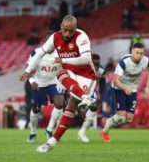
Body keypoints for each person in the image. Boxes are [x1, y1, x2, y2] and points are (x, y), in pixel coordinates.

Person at [19, 15, 96, 152]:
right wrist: (28, 70)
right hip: (69, 73)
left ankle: (84, 98)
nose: (67, 34)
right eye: (65, 30)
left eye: (70, 31)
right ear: (61, 26)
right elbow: (39, 54)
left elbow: (85, 59)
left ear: (75, 29)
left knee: (70, 107)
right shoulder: (55, 37)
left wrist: (63, 61)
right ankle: (50, 143)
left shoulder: (81, 36)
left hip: (87, 75)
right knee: (60, 74)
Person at [101, 43, 149, 142]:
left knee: (129, 119)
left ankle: (107, 121)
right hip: (119, 87)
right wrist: (125, 88)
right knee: (121, 116)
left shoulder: (146, 61)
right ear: (132, 52)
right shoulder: (124, 62)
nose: (139, 55)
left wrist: (148, 87)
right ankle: (105, 131)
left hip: (132, 89)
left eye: (141, 53)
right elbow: (116, 80)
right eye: (137, 53)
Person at [22, 31, 64, 143]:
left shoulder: (61, 53)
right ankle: (33, 132)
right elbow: (28, 70)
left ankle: (49, 130)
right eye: (47, 42)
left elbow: (64, 69)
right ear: (45, 42)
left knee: (60, 104)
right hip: (38, 83)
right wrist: (32, 81)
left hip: (53, 82)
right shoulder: (36, 52)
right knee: (35, 109)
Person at [78, 53, 106, 143]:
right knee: (67, 109)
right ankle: (54, 131)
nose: (97, 67)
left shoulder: (101, 70)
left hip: (90, 89)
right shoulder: (82, 67)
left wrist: (101, 96)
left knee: (94, 106)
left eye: (98, 64)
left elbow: (102, 83)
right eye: (95, 64)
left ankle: (82, 132)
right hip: (77, 88)